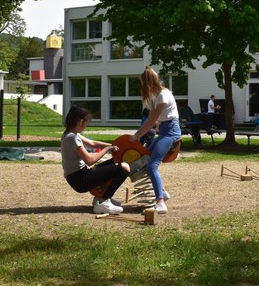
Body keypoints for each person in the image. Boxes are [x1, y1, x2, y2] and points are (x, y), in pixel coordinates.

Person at [61, 106, 130, 215]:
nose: (86, 126)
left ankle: (100, 198)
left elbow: (92, 143)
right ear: (81, 122)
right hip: (80, 180)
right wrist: (107, 149)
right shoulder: (72, 138)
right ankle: (103, 201)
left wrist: (114, 146)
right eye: (86, 123)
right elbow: (90, 160)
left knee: (115, 162)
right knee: (124, 168)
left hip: (80, 175)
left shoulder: (70, 134)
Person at [132, 68, 181, 214]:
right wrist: (158, 124)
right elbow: (153, 119)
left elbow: (150, 121)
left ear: (147, 83)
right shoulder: (159, 96)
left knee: (152, 166)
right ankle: (163, 193)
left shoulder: (162, 96)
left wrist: (135, 137)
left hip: (170, 133)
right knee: (146, 159)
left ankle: (160, 203)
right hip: (166, 131)